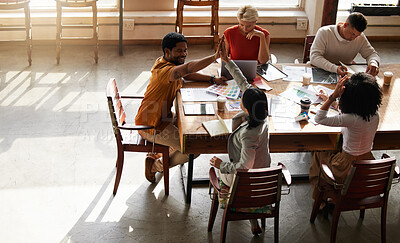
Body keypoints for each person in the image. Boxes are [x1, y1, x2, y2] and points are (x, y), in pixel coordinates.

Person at [135, 32, 227, 183]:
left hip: (164, 118)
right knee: (193, 148)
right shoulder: (164, 72)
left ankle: (160, 155)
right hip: (151, 126)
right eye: (179, 51)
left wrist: (212, 79)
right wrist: (214, 57)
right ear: (167, 51)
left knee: (192, 130)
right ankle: (155, 166)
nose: (183, 54)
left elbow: (186, 74)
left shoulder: (167, 63)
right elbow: (188, 69)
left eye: (185, 50)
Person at [210, 37, 271, 235]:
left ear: (245, 107)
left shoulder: (249, 135)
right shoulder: (260, 112)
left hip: (248, 180)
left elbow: (244, 168)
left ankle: (242, 208)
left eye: (241, 99)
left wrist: (222, 165)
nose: (240, 97)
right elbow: (242, 81)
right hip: (263, 169)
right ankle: (254, 220)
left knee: (218, 169)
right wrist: (227, 60)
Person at [309, 72, 382, 209]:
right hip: (367, 164)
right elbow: (350, 114)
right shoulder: (374, 115)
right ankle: (326, 197)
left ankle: (321, 199)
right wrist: (331, 101)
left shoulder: (350, 119)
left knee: (319, 153)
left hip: (346, 167)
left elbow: (319, 118)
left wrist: (331, 97)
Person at [310, 12, 380, 76]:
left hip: (345, 73)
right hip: (322, 70)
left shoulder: (360, 37)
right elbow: (314, 57)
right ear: (345, 25)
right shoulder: (325, 32)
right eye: (352, 34)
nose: (353, 38)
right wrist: (335, 68)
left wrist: (373, 62)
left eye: (357, 36)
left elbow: (371, 54)